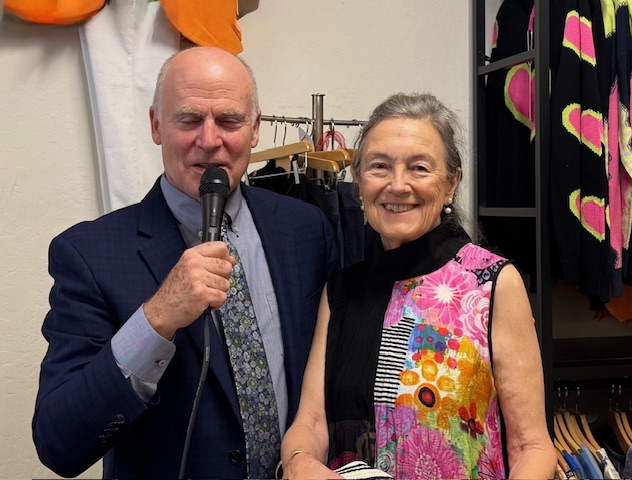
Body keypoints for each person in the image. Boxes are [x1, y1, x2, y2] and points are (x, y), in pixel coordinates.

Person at [32, 46, 339, 479]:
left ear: (254, 129)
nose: (210, 140)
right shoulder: (89, 253)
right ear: (157, 125)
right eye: (190, 119)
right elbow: (59, 444)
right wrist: (156, 319)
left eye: (229, 121)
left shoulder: (304, 229)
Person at [279, 92, 557, 479]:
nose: (398, 185)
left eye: (419, 168)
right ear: (358, 180)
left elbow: (532, 446)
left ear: (451, 183)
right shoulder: (342, 290)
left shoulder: (491, 283)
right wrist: (297, 461)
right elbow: (311, 422)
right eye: (379, 167)